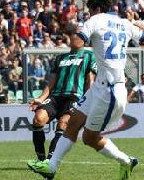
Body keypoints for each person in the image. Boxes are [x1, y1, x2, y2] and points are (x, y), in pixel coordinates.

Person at [27, 0, 144, 180]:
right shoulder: (125, 24)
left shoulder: (95, 19)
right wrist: (139, 25)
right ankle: (51, 167)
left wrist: (78, 29)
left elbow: (76, 43)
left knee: (89, 138)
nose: (88, 12)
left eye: (89, 9)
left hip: (110, 91)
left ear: (95, 8)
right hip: (100, 88)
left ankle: (127, 161)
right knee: (72, 124)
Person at [28, 22, 97, 179]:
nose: (72, 37)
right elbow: (52, 82)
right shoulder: (60, 58)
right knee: (38, 120)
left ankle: (50, 162)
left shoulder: (89, 56)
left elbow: (90, 80)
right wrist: (40, 98)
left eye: (75, 35)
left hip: (75, 97)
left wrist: (86, 101)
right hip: (55, 97)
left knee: (63, 124)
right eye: (71, 35)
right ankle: (41, 159)